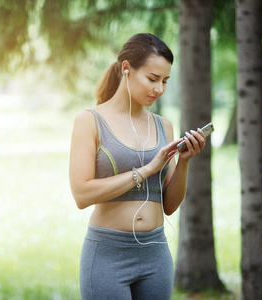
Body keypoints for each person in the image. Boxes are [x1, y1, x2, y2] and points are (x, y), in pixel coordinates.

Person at [69, 33, 208, 300]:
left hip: (156, 254)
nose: (160, 89)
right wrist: (146, 170)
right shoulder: (90, 121)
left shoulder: (163, 125)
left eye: (165, 81)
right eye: (153, 79)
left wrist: (184, 162)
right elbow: (81, 195)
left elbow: (168, 205)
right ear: (126, 70)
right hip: (108, 256)